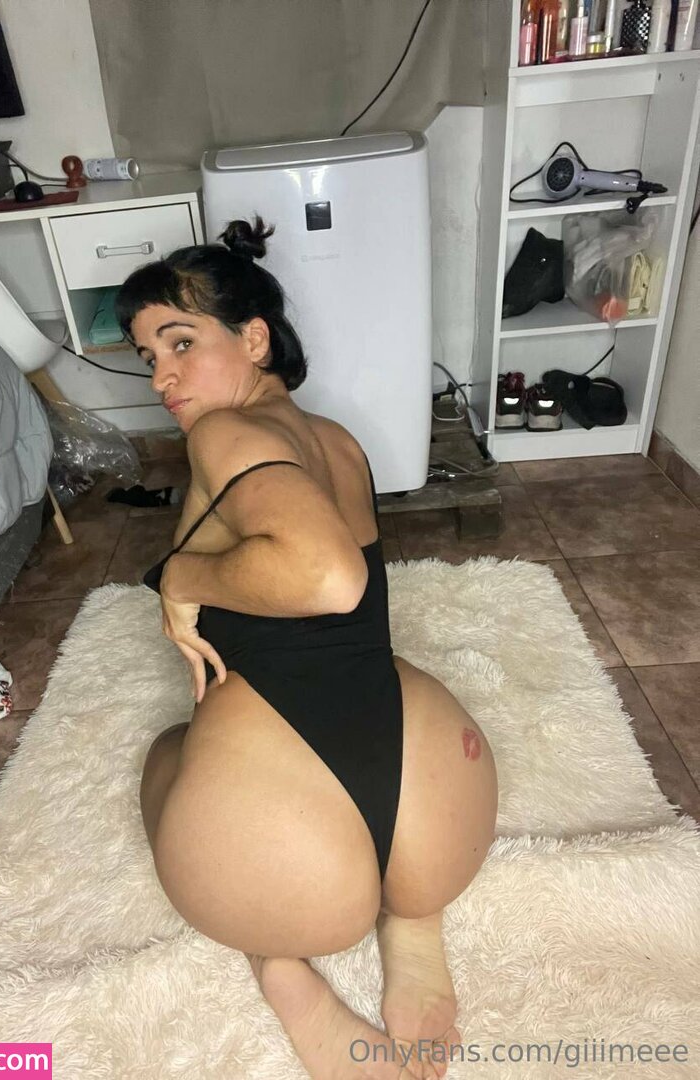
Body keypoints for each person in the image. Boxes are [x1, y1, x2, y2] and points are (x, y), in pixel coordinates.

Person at [115, 215, 499, 1080]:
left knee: (164, 754)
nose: (162, 376)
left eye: (181, 342)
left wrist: (181, 577)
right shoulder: (336, 440)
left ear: (254, 340)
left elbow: (328, 577)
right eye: (148, 357)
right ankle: (414, 917)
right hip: (435, 794)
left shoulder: (220, 435)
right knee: (389, 852)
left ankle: (284, 973)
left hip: (292, 858)